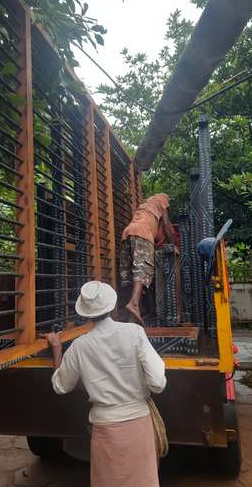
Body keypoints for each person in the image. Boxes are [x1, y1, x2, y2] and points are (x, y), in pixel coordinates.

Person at [41, 280, 166, 487]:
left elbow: (60, 386)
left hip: (105, 428)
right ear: (112, 306)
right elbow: (158, 383)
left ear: (85, 313)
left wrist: (56, 348)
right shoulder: (134, 333)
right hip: (139, 424)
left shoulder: (80, 346)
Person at [120, 193, 174, 324]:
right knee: (143, 270)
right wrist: (172, 245)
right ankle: (133, 304)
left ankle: (131, 315)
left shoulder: (145, 205)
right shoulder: (163, 199)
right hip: (143, 233)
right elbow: (166, 224)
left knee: (130, 274)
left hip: (127, 233)